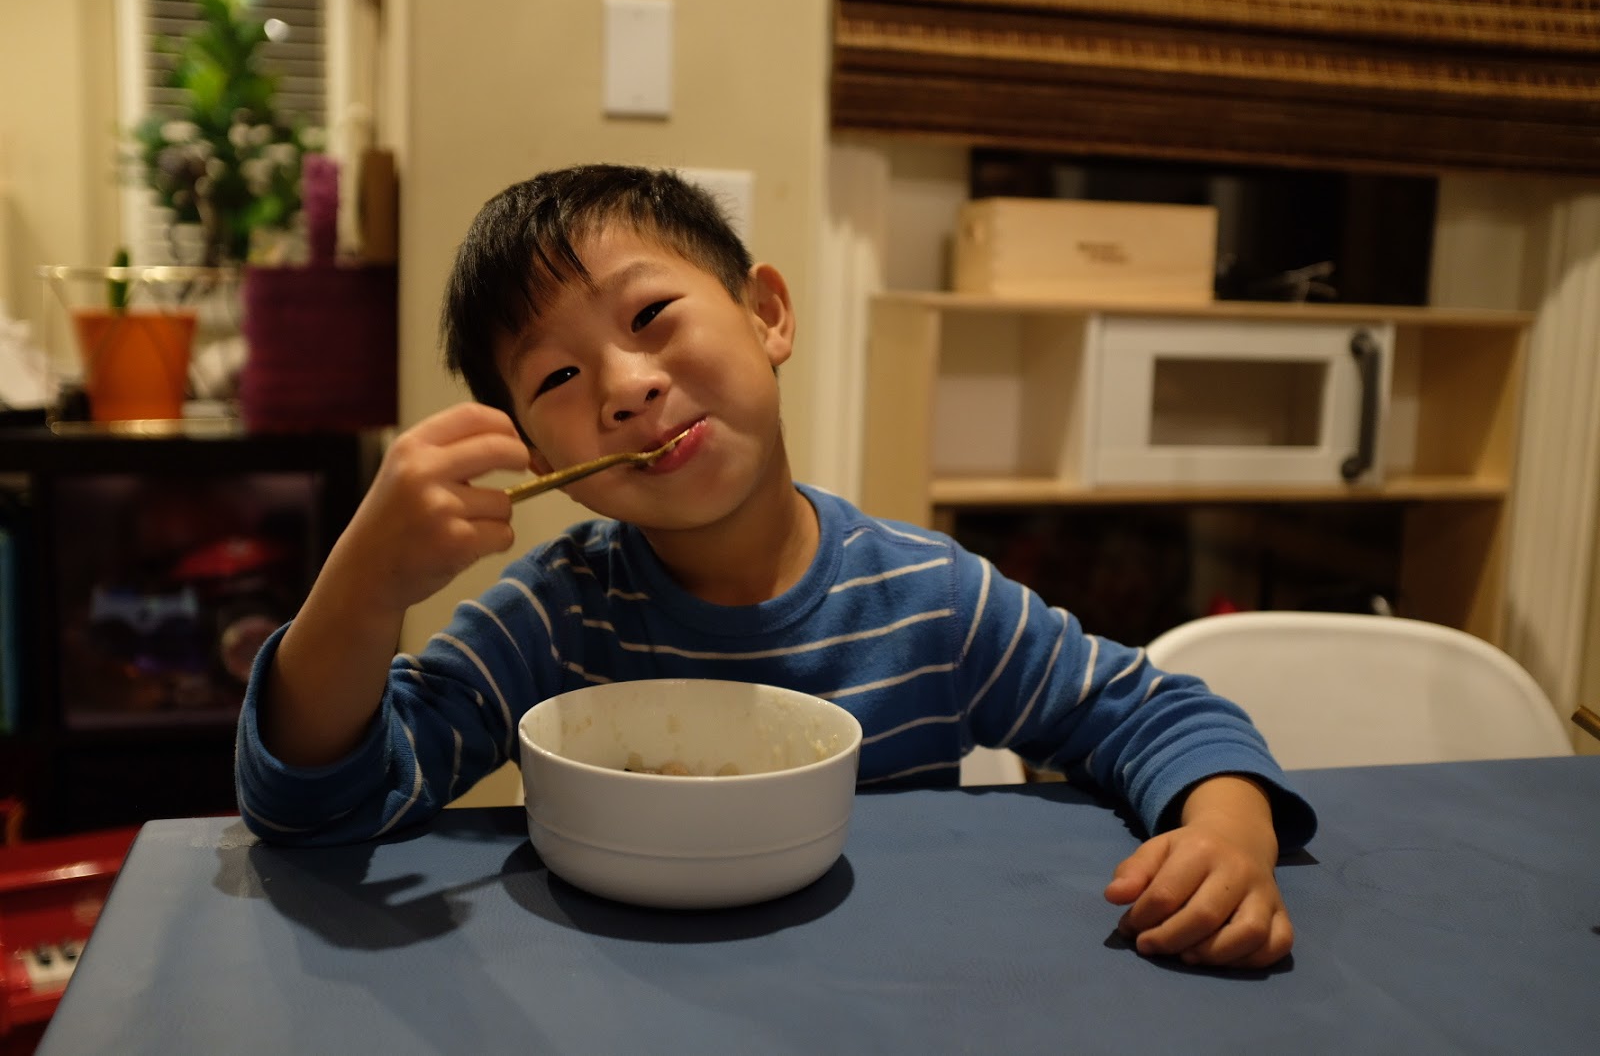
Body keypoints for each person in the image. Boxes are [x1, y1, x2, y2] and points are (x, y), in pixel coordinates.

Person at [235, 163, 1316, 969]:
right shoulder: (557, 617)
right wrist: (362, 580)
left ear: (767, 313)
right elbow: (325, 804)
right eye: (559, 374)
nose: (625, 384)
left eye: (652, 313)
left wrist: (1226, 831)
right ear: (542, 457)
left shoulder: (928, 598)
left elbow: (1156, 715)